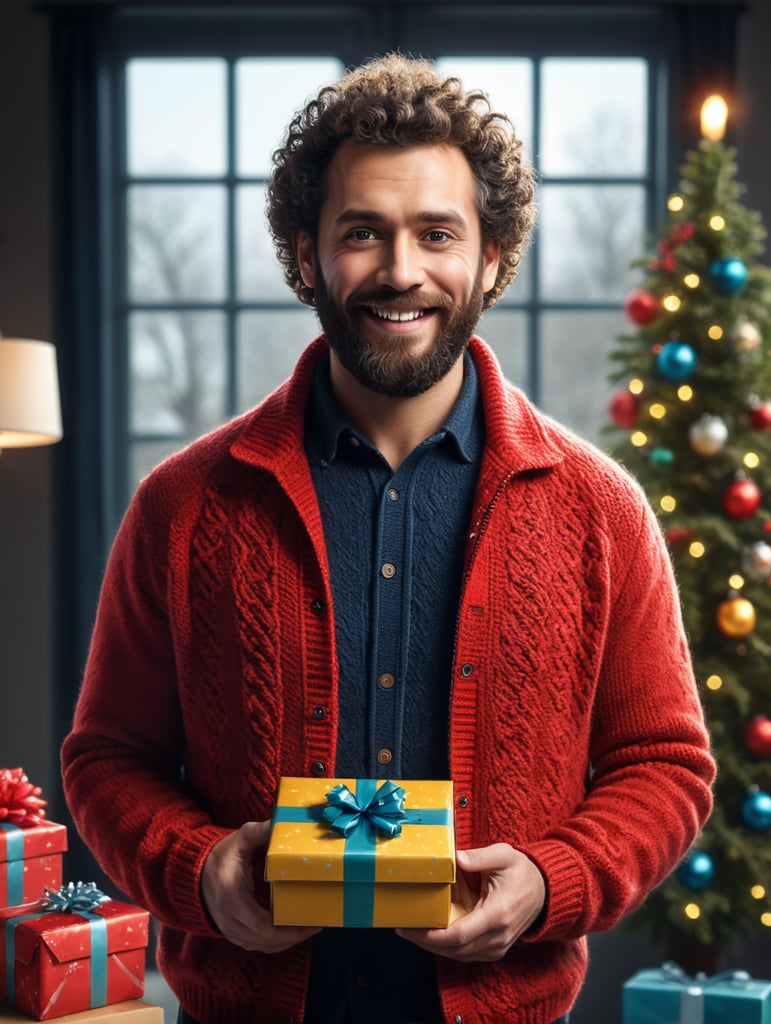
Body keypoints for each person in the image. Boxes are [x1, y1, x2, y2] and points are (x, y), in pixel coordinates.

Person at [61, 54, 715, 1024]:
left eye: (436, 233)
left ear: (491, 256)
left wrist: (551, 878)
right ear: (306, 252)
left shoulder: (602, 511)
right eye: (362, 232)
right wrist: (202, 873)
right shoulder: (181, 504)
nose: (401, 270)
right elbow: (107, 756)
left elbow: (666, 765)